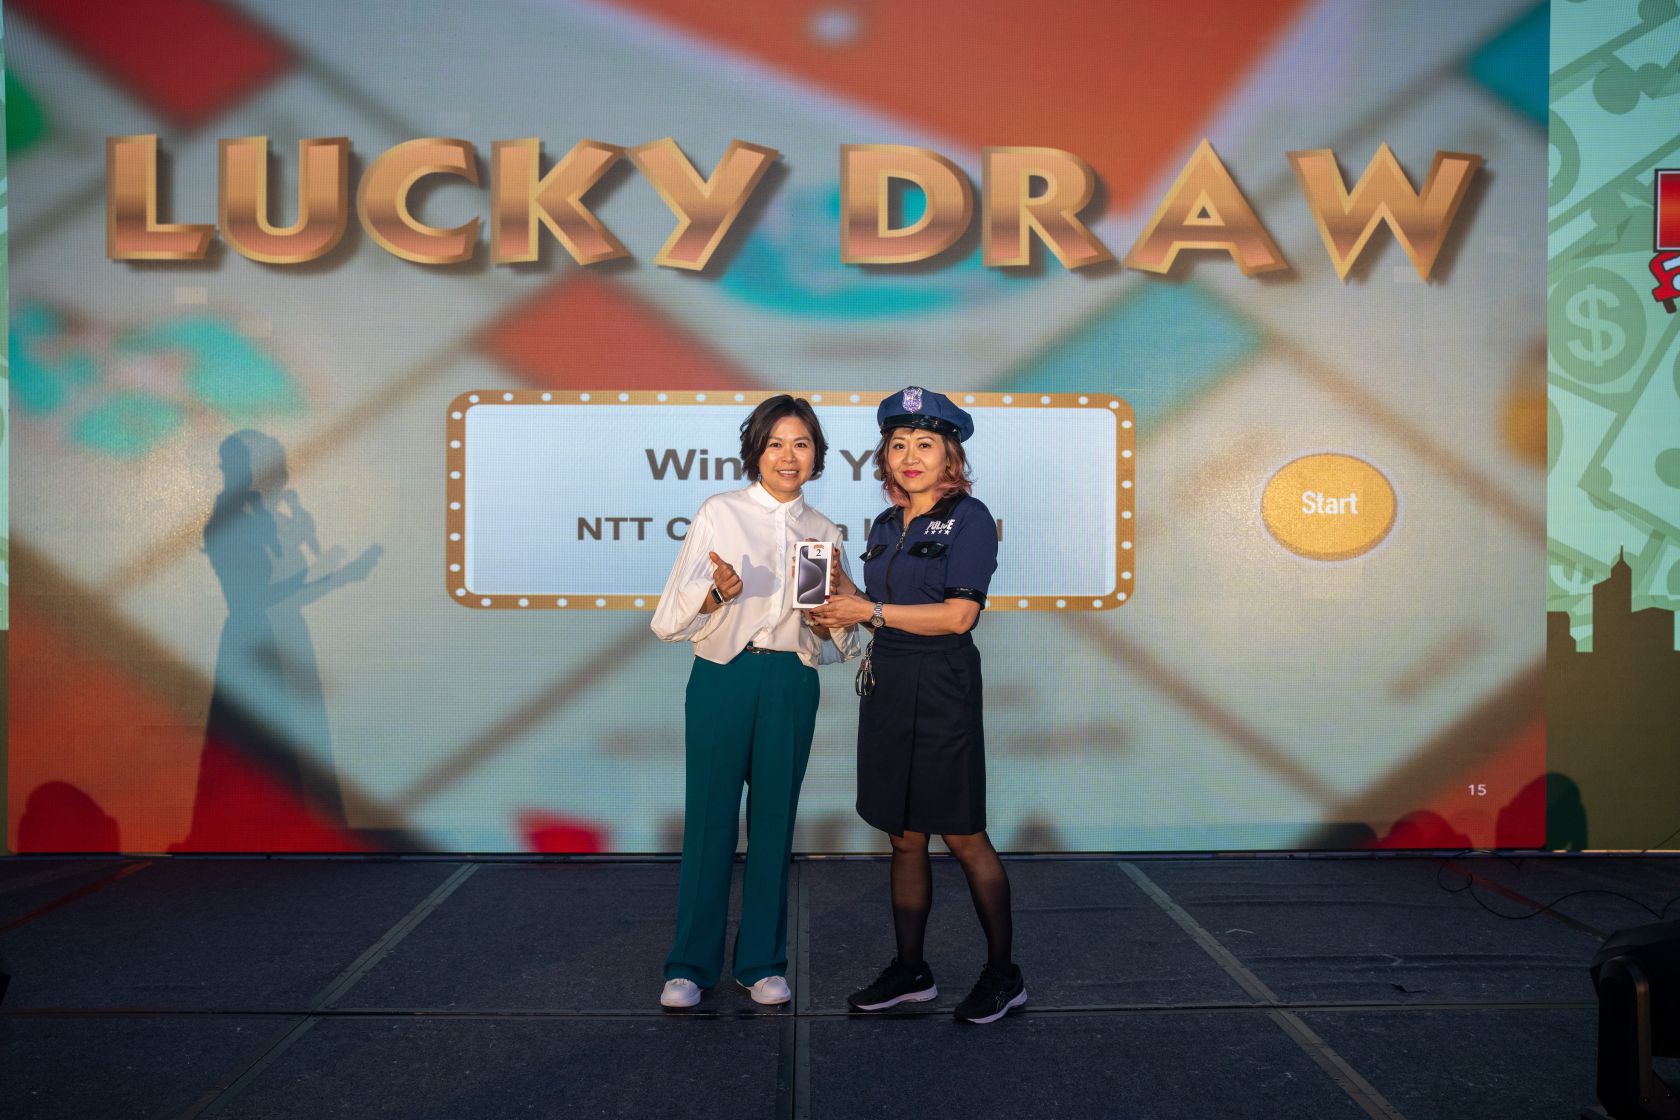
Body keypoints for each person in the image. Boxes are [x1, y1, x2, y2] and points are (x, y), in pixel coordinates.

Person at [809, 386, 1024, 1025]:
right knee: (903, 836)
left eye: (925, 444)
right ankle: (911, 971)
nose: (910, 456)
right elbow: (880, 609)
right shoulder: (884, 524)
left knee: (961, 833)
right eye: (898, 444)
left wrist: (867, 608)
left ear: (950, 455)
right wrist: (838, 590)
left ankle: (1004, 976)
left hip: (942, 686)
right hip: (889, 682)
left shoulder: (971, 518)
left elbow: (958, 616)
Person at [650, 395, 859, 1009]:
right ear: (756, 452)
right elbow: (668, 621)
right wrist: (715, 595)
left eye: (801, 444)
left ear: (817, 454)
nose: (788, 456)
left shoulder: (825, 531)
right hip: (724, 676)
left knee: (774, 823)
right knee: (710, 820)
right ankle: (689, 966)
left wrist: (830, 616)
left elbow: (839, 643)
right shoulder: (720, 512)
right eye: (775, 444)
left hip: (791, 681)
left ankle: (762, 963)